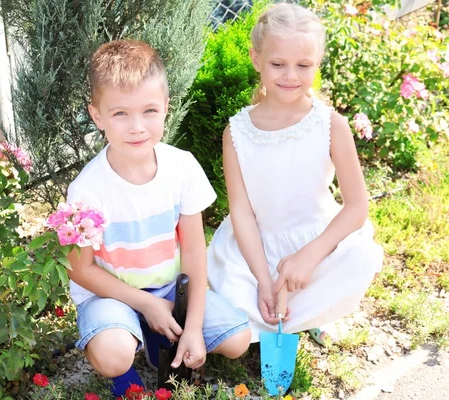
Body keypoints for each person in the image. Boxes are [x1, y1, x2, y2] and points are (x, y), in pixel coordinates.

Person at [66, 39, 252, 397]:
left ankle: (158, 335)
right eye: (120, 113)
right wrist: (146, 304)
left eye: (149, 111)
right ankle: (125, 363)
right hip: (111, 295)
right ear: (97, 115)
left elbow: (196, 253)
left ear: (167, 107)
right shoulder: (87, 189)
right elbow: (80, 269)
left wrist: (194, 325)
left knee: (238, 340)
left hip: (169, 288)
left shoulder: (181, 167)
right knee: (113, 354)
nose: (137, 126)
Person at [206, 3, 383, 345]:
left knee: (359, 258)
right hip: (257, 248)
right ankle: (284, 311)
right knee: (233, 292)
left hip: (319, 245)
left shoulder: (331, 124)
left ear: (317, 64)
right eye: (278, 64)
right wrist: (261, 278)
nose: (290, 76)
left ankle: (312, 312)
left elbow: (356, 208)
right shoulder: (238, 132)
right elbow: (241, 212)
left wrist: (308, 257)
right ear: (256, 59)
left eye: (304, 65)